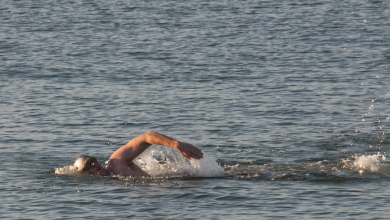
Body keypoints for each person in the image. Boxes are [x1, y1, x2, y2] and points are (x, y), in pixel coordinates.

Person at [73, 131, 204, 177]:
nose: (94, 163)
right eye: (88, 165)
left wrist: (177, 145)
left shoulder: (116, 162)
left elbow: (148, 137)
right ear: (83, 174)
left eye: (93, 160)